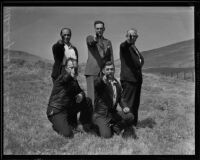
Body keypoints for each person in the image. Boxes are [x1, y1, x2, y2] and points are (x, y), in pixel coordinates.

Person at [47, 58, 93, 138]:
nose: (73, 70)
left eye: (75, 68)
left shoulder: (73, 80)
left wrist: (81, 95)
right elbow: (65, 78)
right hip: (56, 110)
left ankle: (85, 124)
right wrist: (70, 74)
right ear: (65, 68)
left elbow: (80, 91)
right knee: (68, 134)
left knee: (87, 101)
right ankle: (56, 125)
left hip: (67, 109)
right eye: (71, 67)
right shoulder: (61, 78)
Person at [92, 61, 137, 138]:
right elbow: (97, 84)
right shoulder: (101, 81)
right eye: (108, 69)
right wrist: (103, 81)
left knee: (130, 116)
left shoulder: (116, 82)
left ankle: (116, 127)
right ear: (103, 71)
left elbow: (120, 98)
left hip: (112, 113)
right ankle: (97, 125)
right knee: (107, 135)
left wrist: (124, 106)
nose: (110, 71)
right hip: (101, 114)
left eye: (112, 69)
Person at [85, 20, 114, 105]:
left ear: (104, 29)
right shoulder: (90, 38)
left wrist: (111, 73)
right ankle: (90, 117)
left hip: (103, 73)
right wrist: (94, 39)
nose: (99, 30)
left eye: (101, 28)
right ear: (95, 29)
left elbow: (111, 58)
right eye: (97, 28)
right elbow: (91, 41)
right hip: (92, 72)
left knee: (103, 98)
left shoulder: (108, 42)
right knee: (92, 98)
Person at [119, 28, 144, 127]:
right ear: (127, 36)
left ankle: (133, 124)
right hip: (128, 80)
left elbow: (139, 62)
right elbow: (123, 46)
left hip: (137, 80)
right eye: (130, 35)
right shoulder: (125, 47)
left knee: (135, 104)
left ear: (137, 37)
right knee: (128, 103)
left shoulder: (134, 48)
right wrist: (128, 41)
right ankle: (126, 126)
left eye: (134, 36)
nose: (132, 37)